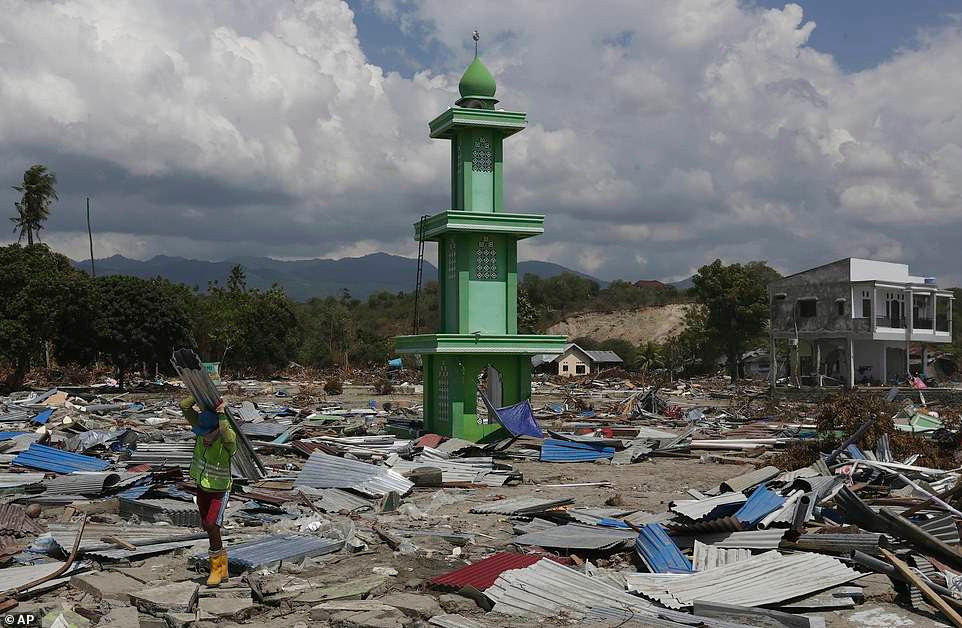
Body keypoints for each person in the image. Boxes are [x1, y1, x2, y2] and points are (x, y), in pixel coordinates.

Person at [180, 395, 236, 586]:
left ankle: (217, 570)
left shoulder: (227, 442)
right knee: (207, 526)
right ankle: (223, 569)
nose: (202, 436)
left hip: (219, 490)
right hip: (202, 486)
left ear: (215, 429)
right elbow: (184, 406)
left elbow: (227, 433)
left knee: (212, 525)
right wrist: (202, 394)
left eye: (206, 433)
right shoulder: (202, 427)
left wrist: (221, 414)